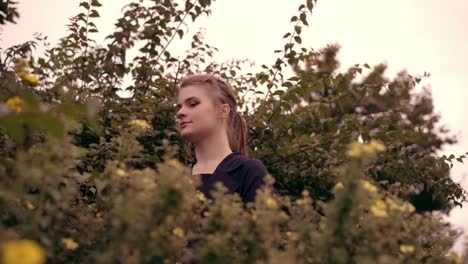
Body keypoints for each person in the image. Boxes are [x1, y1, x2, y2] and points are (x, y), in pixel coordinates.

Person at [175, 74, 270, 204]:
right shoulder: (176, 179)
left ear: (223, 110)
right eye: (179, 107)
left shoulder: (248, 172)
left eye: (192, 104)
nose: (180, 113)